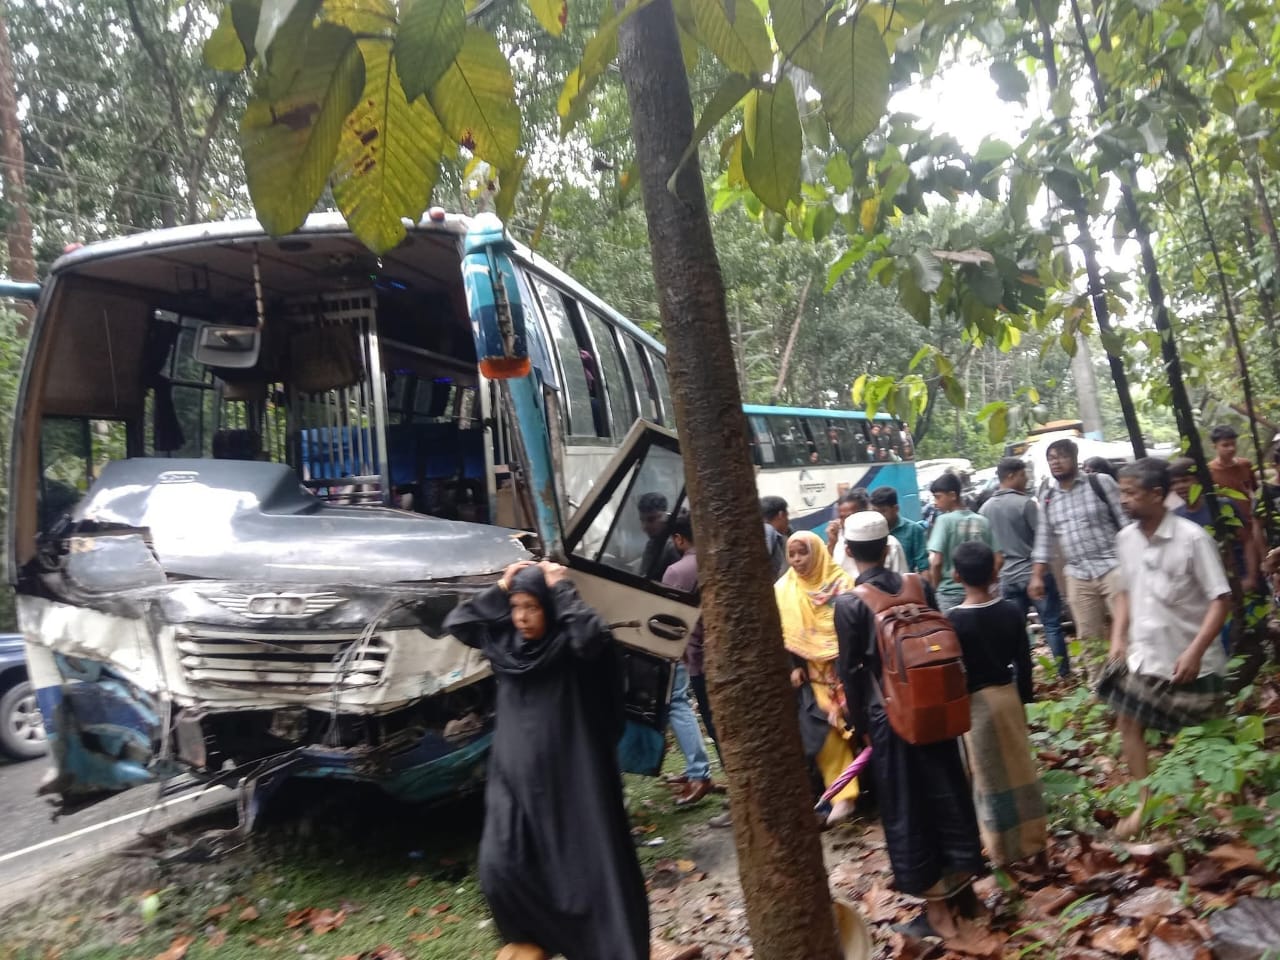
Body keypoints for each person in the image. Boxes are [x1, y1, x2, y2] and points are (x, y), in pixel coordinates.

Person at [442, 561, 649, 960]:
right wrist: (502, 586)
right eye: (516, 606)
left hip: (573, 778)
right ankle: (537, 936)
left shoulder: (570, 647)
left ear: (549, 606)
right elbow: (459, 622)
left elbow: (593, 636)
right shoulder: (505, 646)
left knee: (585, 873)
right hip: (514, 778)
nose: (521, 617)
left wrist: (562, 589)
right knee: (499, 867)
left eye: (532, 606)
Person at [833, 513, 986, 940]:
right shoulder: (921, 585)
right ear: (887, 547)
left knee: (909, 811)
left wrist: (863, 729)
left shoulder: (849, 605)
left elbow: (851, 673)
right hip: (937, 709)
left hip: (891, 720)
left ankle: (938, 914)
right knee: (951, 796)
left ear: (848, 550)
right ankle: (968, 898)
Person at [1099, 458, 1232, 840]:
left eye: (1130, 493)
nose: (1123, 500)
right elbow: (1125, 591)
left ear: (1157, 494)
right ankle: (1146, 804)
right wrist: (1118, 638)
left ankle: (1221, 808)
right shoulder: (1126, 539)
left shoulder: (1192, 539)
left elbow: (1220, 600)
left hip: (1193, 660)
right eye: (1121, 492)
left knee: (1208, 737)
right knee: (1128, 721)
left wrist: (1194, 651)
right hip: (1145, 656)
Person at [947, 542, 1047, 866]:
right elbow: (1024, 661)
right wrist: (1025, 699)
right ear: (995, 572)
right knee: (1021, 771)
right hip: (1008, 696)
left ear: (956, 575)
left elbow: (954, 673)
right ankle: (1036, 844)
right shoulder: (1011, 612)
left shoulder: (953, 621)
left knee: (988, 779)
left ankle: (1001, 852)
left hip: (975, 706)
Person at [775, 530, 861, 827]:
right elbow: (781, 632)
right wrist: (791, 665)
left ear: (817, 553)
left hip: (846, 670)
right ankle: (843, 796)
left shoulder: (842, 583)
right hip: (811, 676)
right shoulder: (783, 590)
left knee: (856, 729)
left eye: (803, 553)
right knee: (826, 733)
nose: (797, 560)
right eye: (792, 554)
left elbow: (852, 626)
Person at [1170, 457, 1267, 691]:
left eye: (1186, 480)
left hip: (1235, 581)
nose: (1182, 486)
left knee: (1247, 632)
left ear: (1199, 481)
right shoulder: (1176, 517)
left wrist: (1250, 577)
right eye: (1176, 482)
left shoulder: (1221, 506)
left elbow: (1246, 541)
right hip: (1207, 590)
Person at [1030, 438, 1127, 648]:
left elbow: (1125, 521)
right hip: (1078, 574)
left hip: (1113, 566)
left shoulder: (1100, 483)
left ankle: (1138, 678)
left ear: (1075, 458)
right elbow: (1043, 536)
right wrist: (1037, 576)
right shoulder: (1047, 495)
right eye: (1051, 458)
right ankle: (1099, 681)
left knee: (1128, 630)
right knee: (1089, 638)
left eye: (1062, 456)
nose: (1056, 462)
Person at [980, 458, 1070, 677]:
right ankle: (1064, 674)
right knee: (1051, 624)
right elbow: (1043, 538)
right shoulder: (1026, 503)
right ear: (1011, 476)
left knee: (1016, 631)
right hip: (1034, 574)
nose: (1026, 478)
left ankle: (1022, 676)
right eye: (1023, 474)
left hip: (1007, 578)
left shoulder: (984, 509)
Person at [661, 513, 720, 770]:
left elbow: (668, 619)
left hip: (698, 659)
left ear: (678, 539)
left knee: (716, 723)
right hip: (729, 653)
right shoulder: (720, 560)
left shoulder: (675, 572)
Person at [927, 472, 997, 612]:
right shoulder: (982, 521)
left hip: (949, 593)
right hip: (981, 592)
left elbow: (937, 562)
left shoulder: (943, 521)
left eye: (938, 497)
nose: (935, 503)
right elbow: (999, 558)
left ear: (953, 495)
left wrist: (934, 589)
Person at [827, 488, 908, 577]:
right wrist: (832, 545)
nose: (846, 522)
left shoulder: (891, 544)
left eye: (851, 516)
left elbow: (902, 583)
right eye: (842, 517)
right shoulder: (838, 542)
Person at [870, 485, 929, 573]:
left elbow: (923, 567)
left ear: (896, 509)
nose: (879, 516)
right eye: (875, 511)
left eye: (883, 511)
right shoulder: (870, 531)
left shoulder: (913, 530)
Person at [1208, 424, 1258, 524]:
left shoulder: (1246, 464)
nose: (1231, 448)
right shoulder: (1209, 470)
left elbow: (1254, 489)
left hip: (1253, 519)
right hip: (1230, 523)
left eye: (1233, 444)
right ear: (1215, 446)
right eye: (1225, 445)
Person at [638, 492, 680, 582]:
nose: (644, 527)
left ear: (666, 516)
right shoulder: (653, 542)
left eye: (651, 519)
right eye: (642, 520)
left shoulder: (673, 546)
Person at [762, 495, 790, 580]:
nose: (788, 521)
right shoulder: (768, 531)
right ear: (781, 515)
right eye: (787, 516)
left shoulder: (784, 533)